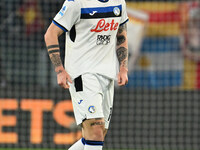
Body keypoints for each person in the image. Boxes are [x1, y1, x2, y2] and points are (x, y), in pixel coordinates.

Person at [44, 0, 129, 149]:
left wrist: (123, 68)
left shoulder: (119, 2)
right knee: (95, 131)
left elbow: (121, 35)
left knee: (97, 133)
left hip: (108, 75)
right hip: (83, 73)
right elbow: (50, 33)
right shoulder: (76, 3)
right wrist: (60, 70)